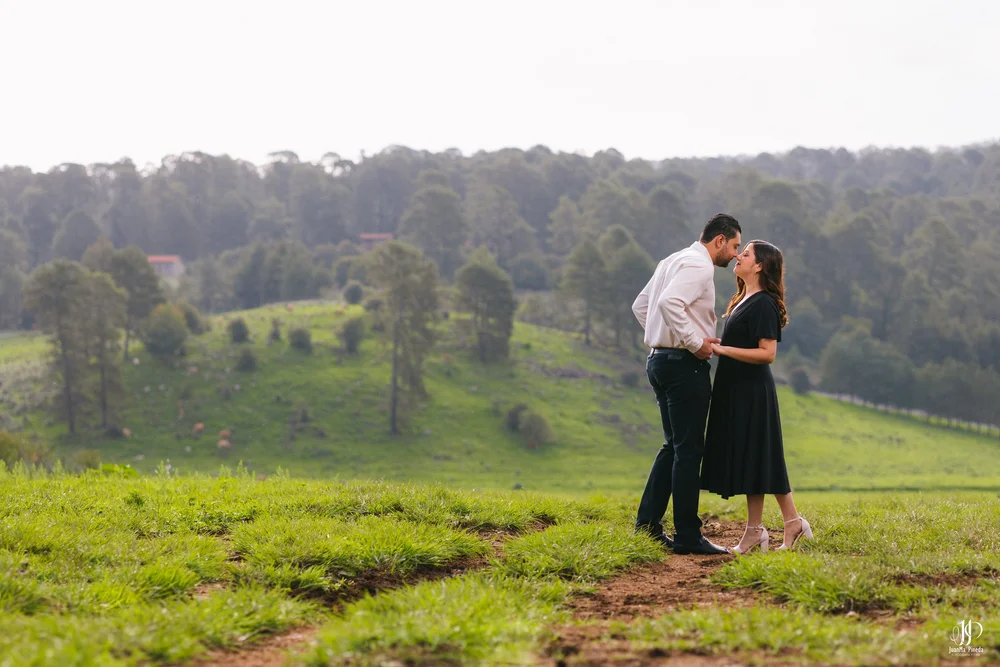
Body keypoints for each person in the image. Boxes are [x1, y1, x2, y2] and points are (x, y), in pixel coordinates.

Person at [632, 213, 742, 555]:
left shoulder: (672, 260)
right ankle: (688, 535)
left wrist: (662, 336)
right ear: (719, 240)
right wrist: (694, 343)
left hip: (658, 360)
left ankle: (647, 526)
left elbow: (641, 306)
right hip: (683, 366)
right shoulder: (699, 265)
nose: (736, 254)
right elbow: (668, 303)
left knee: (674, 446)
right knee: (689, 450)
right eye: (734, 246)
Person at [701, 240, 813, 555]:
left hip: (752, 390)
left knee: (761, 456)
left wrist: (723, 350)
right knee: (756, 457)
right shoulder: (742, 299)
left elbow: (767, 354)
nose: (738, 256)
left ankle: (777, 527)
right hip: (735, 387)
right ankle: (773, 527)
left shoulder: (763, 303)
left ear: (760, 266)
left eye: (746, 254)